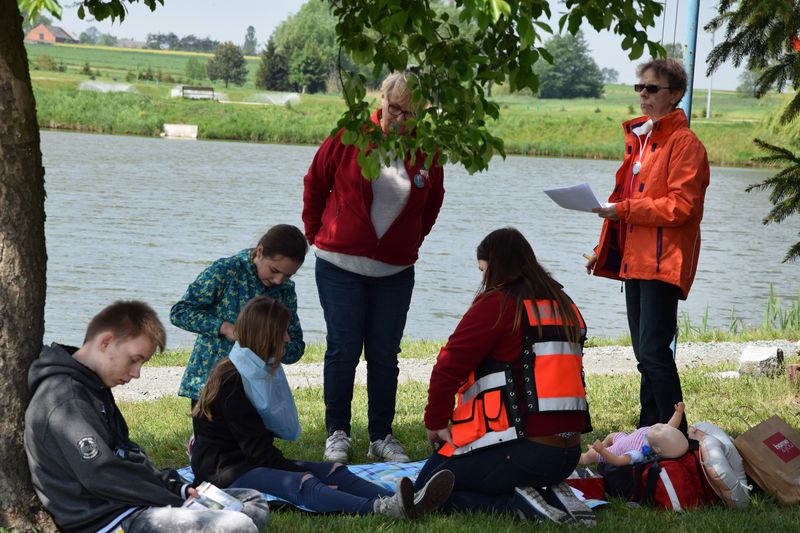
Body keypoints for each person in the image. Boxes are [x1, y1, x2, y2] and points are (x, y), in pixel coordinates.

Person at [191, 296, 454, 519]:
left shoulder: (253, 369)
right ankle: (381, 509)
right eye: (282, 331)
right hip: (223, 470)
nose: (286, 337)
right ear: (266, 336)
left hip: (247, 460)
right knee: (302, 481)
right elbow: (258, 453)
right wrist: (299, 471)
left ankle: (408, 499)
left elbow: (260, 450)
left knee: (334, 470)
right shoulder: (233, 382)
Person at [24, 301, 269, 533]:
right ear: (106, 342)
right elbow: (101, 475)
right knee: (236, 525)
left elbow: (127, 454)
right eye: (134, 360)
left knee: (251, 502)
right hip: (110, 519)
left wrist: (178, 487)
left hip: (135, 501)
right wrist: (173, 499)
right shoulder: (66, 398)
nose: (136, 374)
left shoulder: (94, 386)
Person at [302, 70, 446, 463]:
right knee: (343, 350)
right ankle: (337, 433)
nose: (397, 119)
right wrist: (314, 233)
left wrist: (409, 242)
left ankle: (381, 435)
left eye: (407, 114)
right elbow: (315, 181)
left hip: (395, 272)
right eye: (393, 108)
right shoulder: (350, 135)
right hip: (339, 264)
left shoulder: (427, 150)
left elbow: (433, 203)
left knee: (384, 354)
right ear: (380, 98)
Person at [415, 228, 596, 525]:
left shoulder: (498, 305)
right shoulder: (564, 303)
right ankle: (551, 495)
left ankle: (517, 506)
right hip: (567, 454)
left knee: (426, 490)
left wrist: (435, 422)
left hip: (523, 450)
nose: (484, 280)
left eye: (484, 271)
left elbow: (448, 367)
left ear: (495, 267)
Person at [587, 58, 710, 435]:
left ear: (675, 95)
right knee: (645, 356)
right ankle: (648, 430)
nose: (643, 94)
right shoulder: (643, 141)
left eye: (652, 89)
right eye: (639, 87)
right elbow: (625, 204)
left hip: (663, 263)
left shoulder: (685, 144)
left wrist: (622, 210)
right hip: (636, 262)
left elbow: (682, 206)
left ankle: (676, 433)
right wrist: (603, 249)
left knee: (655, 354)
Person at [171, 224, 308, 405]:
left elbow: (296, 347)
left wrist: (279, 348)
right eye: (274, 270)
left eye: (288, 275)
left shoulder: (286, 291)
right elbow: (180, 312)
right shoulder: (226, 271)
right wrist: (225, 328)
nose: (278, 280)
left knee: (254, 434)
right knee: (211, 433)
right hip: (210, 382)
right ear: (259, 252)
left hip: (256, 390)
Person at [580, 402, 688, 466]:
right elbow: (671, 426)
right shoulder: (659, 438)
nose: (660, 425)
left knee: (591, 455)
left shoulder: (637, 454)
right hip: (624, 438)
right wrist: (678, 413)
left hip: (616, 451)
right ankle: (603, 444)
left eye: (658, 430)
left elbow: (618, 461)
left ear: (656, 449)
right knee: (611, 436)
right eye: (663, 426)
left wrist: (602, 451)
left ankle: (581, 458)